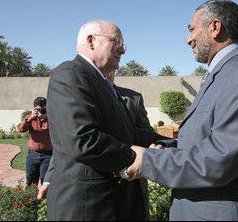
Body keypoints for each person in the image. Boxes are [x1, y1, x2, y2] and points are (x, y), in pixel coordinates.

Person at [127, 0, 238, 221]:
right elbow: (206, 140)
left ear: (215, 27)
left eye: (192, 30)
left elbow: (221, 158)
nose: (189, 39)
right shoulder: (224, 74)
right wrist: (167, 148)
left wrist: (149, 161)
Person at [45, 20, 169, 221]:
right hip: (87, 209)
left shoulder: (102, 83)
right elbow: (83, 139)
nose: (123, 50)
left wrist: (169, 144)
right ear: (91, 41)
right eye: (116, 41)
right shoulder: (70, 74)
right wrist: (132, 157)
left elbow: (129, 133)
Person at [37, 70, 156, 220]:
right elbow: (69, 140)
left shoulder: (133, 98)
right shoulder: (83, 94)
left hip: (130, 184)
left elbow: (145, 135)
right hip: (94, 190)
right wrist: (49, 178)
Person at [17, 96, 52, 186]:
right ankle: (31, 199)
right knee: (31, 181)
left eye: (43, 109)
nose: (40, 111)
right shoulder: (29, 117)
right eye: (38, 109)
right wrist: (30, 118)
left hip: (48, 155)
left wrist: (48, 116)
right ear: (34, 108)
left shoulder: (52, 117)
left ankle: (46, 200)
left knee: (46, 182)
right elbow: (20, 129)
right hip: (33, 154)